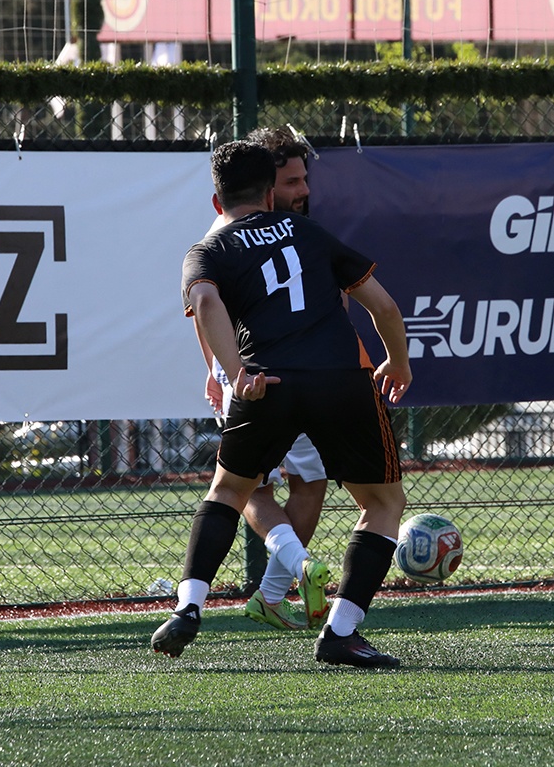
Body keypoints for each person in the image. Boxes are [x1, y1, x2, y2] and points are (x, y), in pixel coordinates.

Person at [153, 140, 413, 668]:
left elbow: (205, 302)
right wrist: (398, 362)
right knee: (382, 504)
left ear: (216, 201)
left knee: (229, 491)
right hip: (342, 381)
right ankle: (341, 632)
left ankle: (189, 607)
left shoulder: (208, 249)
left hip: (266, 382)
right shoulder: (308, 231)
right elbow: (383, 306)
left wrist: (236, 373)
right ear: (271, 194)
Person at [197, 127, 330, 632]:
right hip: (261, 374)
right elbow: (202, 310)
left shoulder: (290, 229)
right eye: (292, 182)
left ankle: (276, 589)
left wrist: (214, 370)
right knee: (252, 486)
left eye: (304, 179)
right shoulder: (229, 235)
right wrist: (219, 370)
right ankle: (289, 576)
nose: (304, 190)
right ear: (266, 188)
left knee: (274, 484)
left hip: (280, 373)